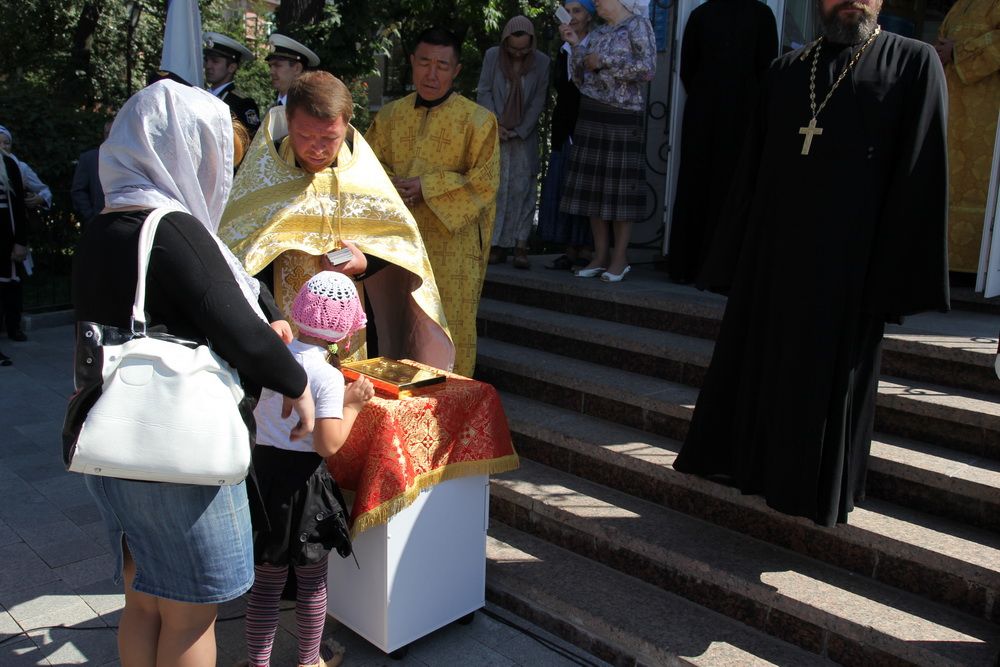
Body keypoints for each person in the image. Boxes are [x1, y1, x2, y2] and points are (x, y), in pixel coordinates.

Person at [672, 0, 949, 527]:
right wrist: (739, 259)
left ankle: (816, 489)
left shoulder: (913, 62)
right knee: (766, 368)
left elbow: (920, 171)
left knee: (827, 380)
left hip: (850, 262)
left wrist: (892, 271)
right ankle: (757, 471)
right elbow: (752, 173)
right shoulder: (785, 71)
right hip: (777, 257)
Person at [72, 79, 316, 666]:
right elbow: (240, 329)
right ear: (184, 151)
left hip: (116, 439)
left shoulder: (104, 225)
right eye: (214, 157)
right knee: (189, 616)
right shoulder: (172, 226)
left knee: (143, 601)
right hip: (177, 449)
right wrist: (297, 382)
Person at [219, 71, 454, 371]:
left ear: (347, 126)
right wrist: (271, 314)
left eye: (330, 138)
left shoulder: (363, 176)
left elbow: (401, 242)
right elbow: (238, 255)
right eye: (305, 136)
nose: (317, 149)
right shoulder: (263, 176)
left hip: (355, 327)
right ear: (289, 121)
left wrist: (364, 263)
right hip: (280, 324)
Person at [243, 271, 373, 667]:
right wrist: (353, 405)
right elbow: (327, 444)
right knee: (312, 582)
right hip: (304, 487)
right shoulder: (328, 376)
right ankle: (309, 660)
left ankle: (257, 663)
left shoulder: (275, 356)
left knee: (266, 584)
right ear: (344, 331)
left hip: (264, 477)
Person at [366, 27, 500, 376]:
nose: (431, 73)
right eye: (424, 62)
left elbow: (484, 182)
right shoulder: (390, 116)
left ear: (456, 70)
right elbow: (366, 165)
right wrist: (393, 186)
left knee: (446, 325)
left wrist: (428, 187)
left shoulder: (478, 121)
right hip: (397, 241)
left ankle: (450, 402)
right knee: (395, 321)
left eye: (442, 65)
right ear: (412, 62)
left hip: (450, 245)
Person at [666, 0, 777, 284]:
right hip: (714, 113)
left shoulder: (758, 15)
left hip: (732, 114)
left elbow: (767, 70)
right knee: (702, 184)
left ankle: (702, 266)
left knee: (725, 185)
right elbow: (689, 67)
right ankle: (698, 265)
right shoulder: (704, 15)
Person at [558, 0, 656, 283]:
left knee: (620, 192)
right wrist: (575, 45)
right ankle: (600, 255)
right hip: (591, 114)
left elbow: (648, 69)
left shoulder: (638, 25)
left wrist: (605, 62)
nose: (596, 2)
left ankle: (619, 258)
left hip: (622, 117)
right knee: (594, 190)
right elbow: (580, 79)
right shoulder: (599, 32)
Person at [478, 16, 551, 270]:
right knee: (496, 191)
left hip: (523, 138)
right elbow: (484, 91)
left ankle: (521, 245)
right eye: (513, 48)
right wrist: (495, 124)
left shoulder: (542, 62)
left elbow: (538, 100)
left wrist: (520, 130)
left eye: (524, 49)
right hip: (495, 133)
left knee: (523, 191)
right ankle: (496, 245)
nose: (518, 54)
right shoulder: (492, 57)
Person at [934, 0, 1000, 277]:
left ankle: (974, 267)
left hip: (986, 110)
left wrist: (960, 51)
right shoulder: (961, 3)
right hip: (952, 104)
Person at [538, 0, 596, 271]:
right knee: (564, 184)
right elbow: (561, 87)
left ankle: (587, 248)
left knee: (587, 187)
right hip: (565, 124)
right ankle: (569, 249)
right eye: (568, 11)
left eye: (578, 11)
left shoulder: (596, 44)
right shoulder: (563, 49)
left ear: (589, 16)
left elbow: (588, 85)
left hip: (588, 122)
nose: (571, 17)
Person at [204, 31, 262, 134]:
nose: (208, 65)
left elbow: (250, 139)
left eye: (215, 61)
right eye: (206, 60)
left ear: (232, 67)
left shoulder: (242, 104)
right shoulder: (202, 95)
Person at [1, 142, 28, 349]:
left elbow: (18, 206)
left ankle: (13, 326)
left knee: (9, 286)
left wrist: (20, 241)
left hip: (5, 237)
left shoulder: (8, 164)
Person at [0, 125, 52, 211]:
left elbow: (45, 191)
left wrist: (39, 199)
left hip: (12, 217)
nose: (3, 147)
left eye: (6, 143)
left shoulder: (20, 167)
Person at [70, 121, 112, 226]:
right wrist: (90, 216)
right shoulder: (89, 159)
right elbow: (78, 190)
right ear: (105, 134)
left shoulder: (131, 159)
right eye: (109, 132)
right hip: (97, 221)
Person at [267, 33, 320, 107]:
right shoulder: (271, 110)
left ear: (297, 68)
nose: (271, 72)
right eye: (270, 66)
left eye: (277, 65)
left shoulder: (310, 109)